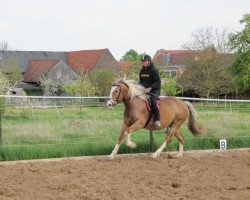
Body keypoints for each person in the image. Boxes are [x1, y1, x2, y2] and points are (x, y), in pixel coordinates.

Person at [139, 54, 161, 127]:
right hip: (144, 90)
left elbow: (158, 82)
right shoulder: (142, 70)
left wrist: (150, 88)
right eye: (142, 61)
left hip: (154, 90)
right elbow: (141, 81)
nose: (143, 62)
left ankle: (157, 120)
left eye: (144, 61)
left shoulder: (154, 70)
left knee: (153, 101)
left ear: (149, 61)